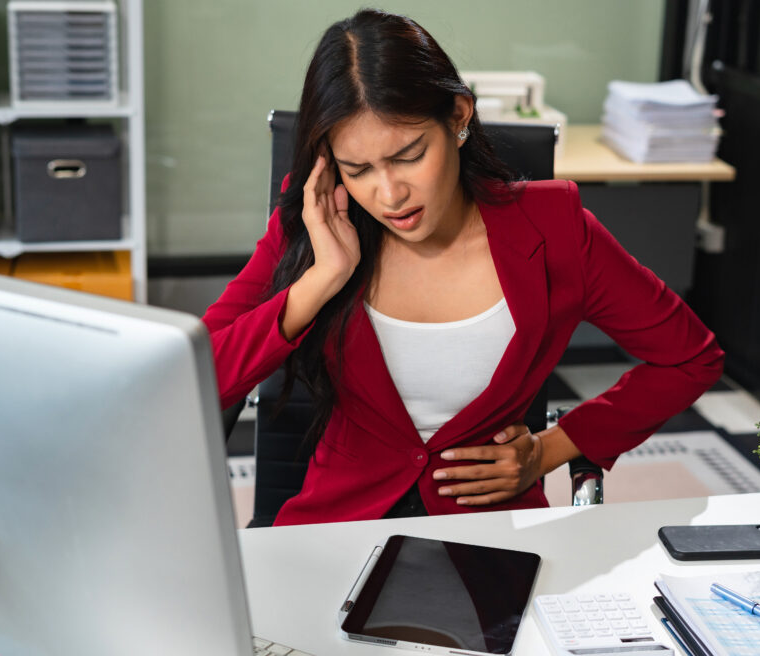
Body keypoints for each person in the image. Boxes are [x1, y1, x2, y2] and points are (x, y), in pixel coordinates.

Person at [203, 9, 724, 525]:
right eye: (358, 169)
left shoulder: (555, 228)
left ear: (458, 116)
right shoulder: (314, 226)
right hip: (338, 528)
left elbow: (691, 359)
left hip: (491, 532)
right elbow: (194, 381)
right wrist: (318, 282)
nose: (389, 195)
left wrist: (550, 450)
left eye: (408, 155)